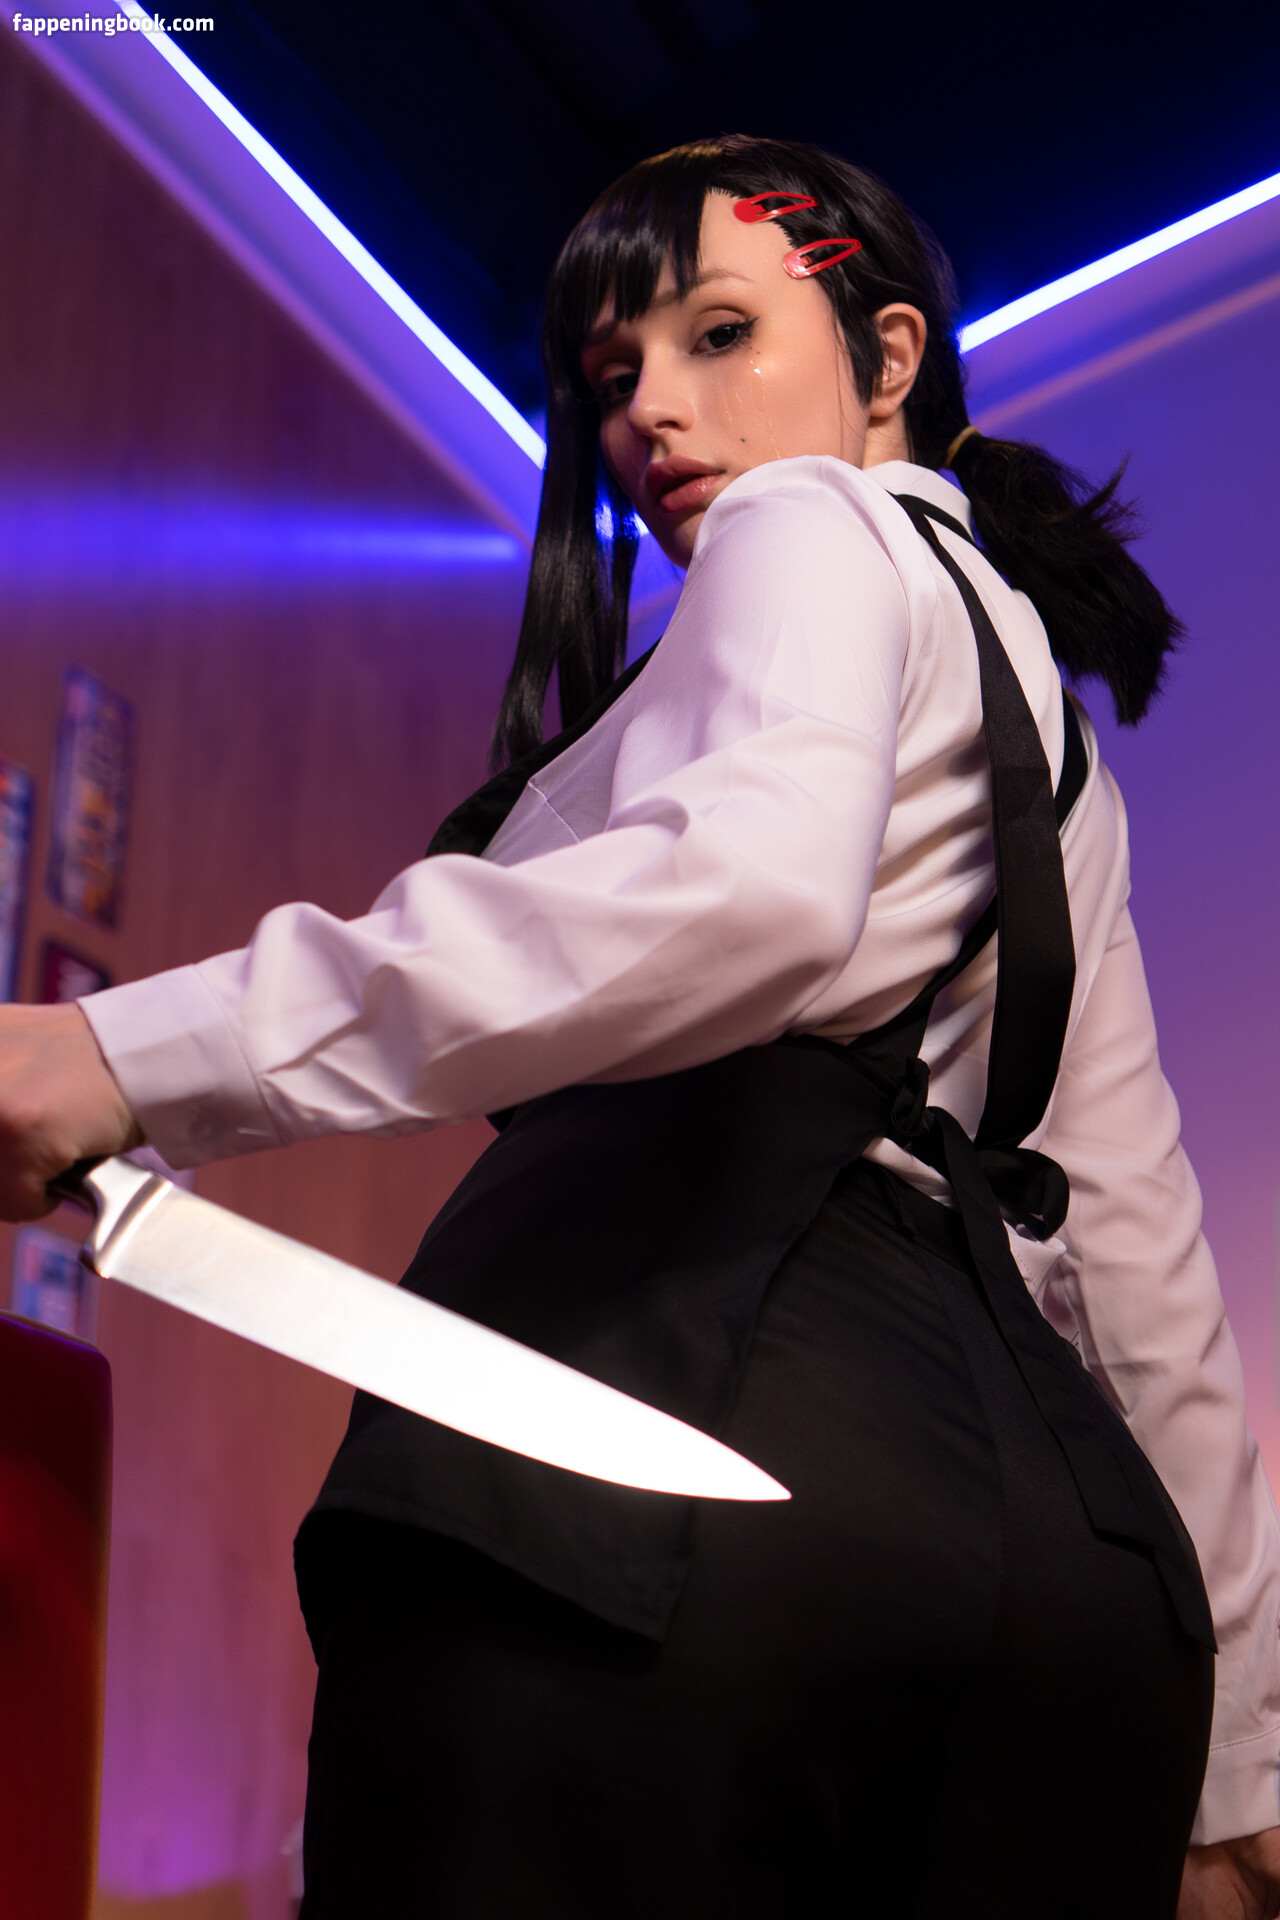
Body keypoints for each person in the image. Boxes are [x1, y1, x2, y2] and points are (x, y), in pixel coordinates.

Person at [1, 135, 1278, 1918]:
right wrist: (1233, 1772)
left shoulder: (804, 518)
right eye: (614, 375)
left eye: (719, 333)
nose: (655, 413)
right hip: (1065, 1592)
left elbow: (740, 897)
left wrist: (116, 1055)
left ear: (887, 359)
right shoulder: (1056, 753)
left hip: (670, 1442)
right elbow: (1135, 1245)